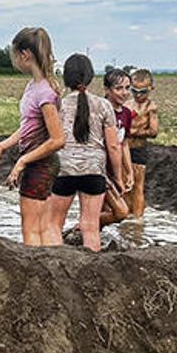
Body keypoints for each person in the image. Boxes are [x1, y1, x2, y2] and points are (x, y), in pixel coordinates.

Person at [0, 28, 65, 246]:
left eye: (14, 55)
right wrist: (3, 146)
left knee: (31, 231)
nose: (14, 61)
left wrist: (22, 161)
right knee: (43, 226)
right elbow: (28, 127)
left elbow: (58, 140)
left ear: (25, 55)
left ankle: (37, 276)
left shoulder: (45, 93)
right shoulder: (33, 86)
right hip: (39, 164)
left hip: (40, 165)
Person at [43, 54, 121, 252]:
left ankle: (57, 266)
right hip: (94, 171)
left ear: (66, 78)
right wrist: (117, 177)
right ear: (91, 76)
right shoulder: (104, 106)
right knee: (90, 226)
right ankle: (91, 272)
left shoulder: (57, 105)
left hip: (64, 170)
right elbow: (113, 146)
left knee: (53, 224)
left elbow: (49, 139)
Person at [100, 68, 135, 227]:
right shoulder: (100, 110)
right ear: (107, 90)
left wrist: (129, 171)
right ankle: (82, 227)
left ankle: (88, 238)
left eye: (127, 88)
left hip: (114, 168)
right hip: (99, 168)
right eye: (119, 88)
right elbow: (112, 146)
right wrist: (118, 177)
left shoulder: (126, 113)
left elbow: (124, 143)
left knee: (105, 209)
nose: (124, 93)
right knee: (120, 211)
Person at [126, 68, 159, 218]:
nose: (138, 95)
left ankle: (138, 220)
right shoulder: (127, 104)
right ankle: (126, 216)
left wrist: (134, 132)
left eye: (143, 92)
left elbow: (153, 131)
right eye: (135, 91)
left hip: (138, 149)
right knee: (125, 185)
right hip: (124, 149)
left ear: (151, 89)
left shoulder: (151, 107)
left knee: (138, 186)